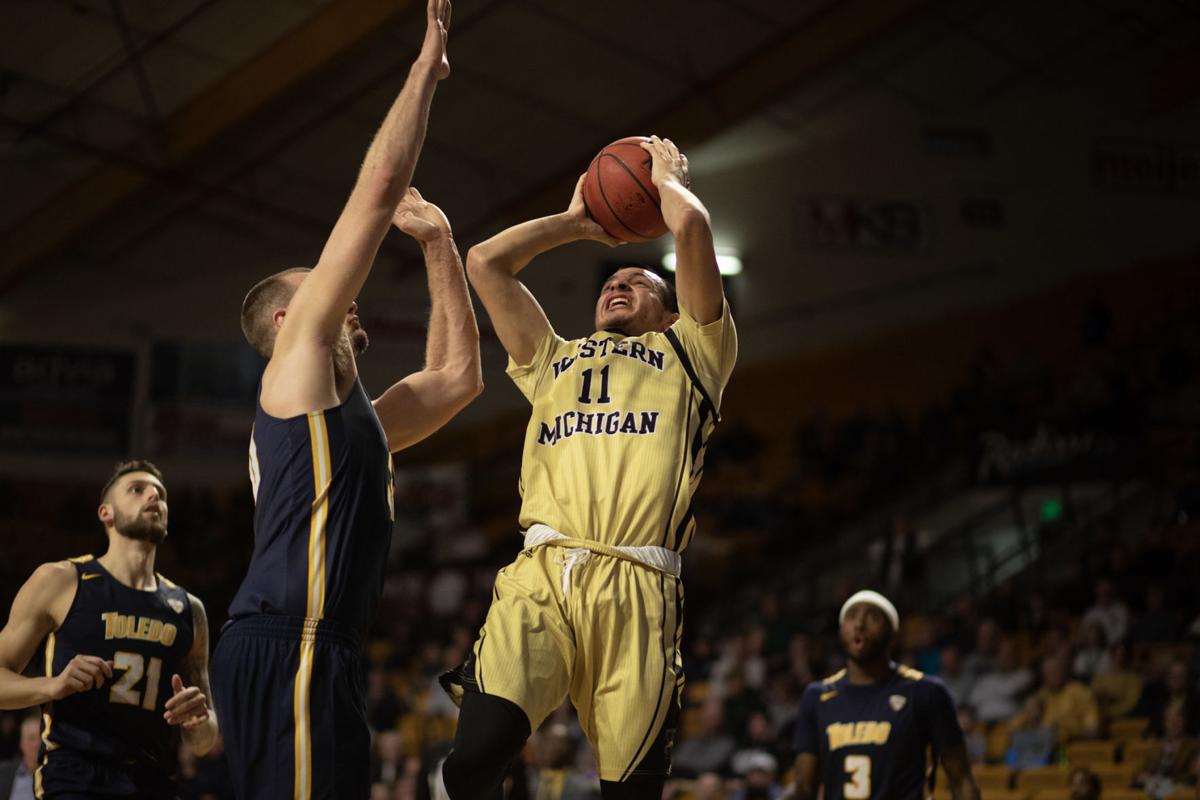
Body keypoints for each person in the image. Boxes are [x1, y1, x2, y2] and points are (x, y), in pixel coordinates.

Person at [211, 1, 483, 796]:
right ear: (290, 320)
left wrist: (439, 245)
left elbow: (458, 379)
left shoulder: (350, 422)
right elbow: (378, 187)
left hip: (323, 648)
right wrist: (421, 75)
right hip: (286, 639)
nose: (346, 296)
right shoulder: (295, 361)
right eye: (321, 287)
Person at [443, 135, 737, 799]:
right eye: (611, 281)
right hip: (542, 574)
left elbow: (691, 226)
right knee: (473, 760)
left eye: (639, 281)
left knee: (629, 793)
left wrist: (667, 182)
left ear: (670, 313)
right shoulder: (554, 359)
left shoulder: (693, 355)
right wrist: (577, 224)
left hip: (638, 584)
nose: (619, 284)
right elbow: (487, 262)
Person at [0, 460, 216, 797]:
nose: (153, 497)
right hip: (76, 775)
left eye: (160, 493)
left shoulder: (190, 610)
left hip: (153, 780)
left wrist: (199, 722)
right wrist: (51, 686)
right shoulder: (60, 580)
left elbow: (203, 743)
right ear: (106, 513)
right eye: (137, 490)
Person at [790, 591, 980, 800]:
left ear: (894, 634)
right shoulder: (817, 696)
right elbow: (804, 789)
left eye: (873, 617)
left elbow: (961, 779)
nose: (860, 624)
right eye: (851, 616)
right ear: (841, 629)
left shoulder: (926, 692)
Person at [0, 714, 39, 799]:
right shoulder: (3, 773)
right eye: (32, 738)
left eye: (41, 739)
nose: (37, 744)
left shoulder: (56, 776)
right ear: (22, 743)